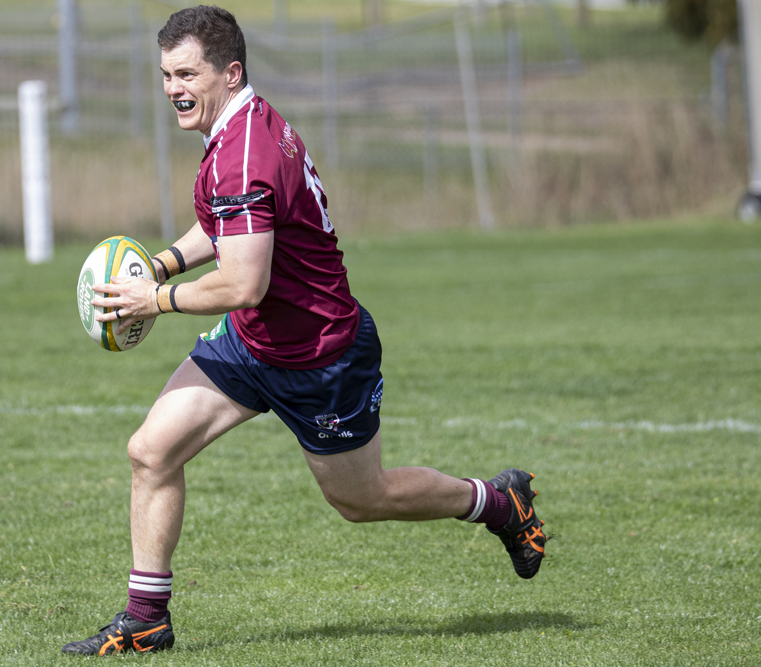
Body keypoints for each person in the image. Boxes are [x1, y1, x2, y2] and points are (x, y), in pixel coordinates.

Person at [62, 5, 546, 657]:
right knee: (151, 451)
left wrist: (154, 298)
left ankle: (497, 502)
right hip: (252, 342)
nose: (173, 88)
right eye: (167, 75)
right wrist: (162, 263)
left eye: (187, 74)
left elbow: (244, 282)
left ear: (230, 73)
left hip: (320, 357)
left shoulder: (244, 154)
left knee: (361, 499)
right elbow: (227, 227)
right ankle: (146, 618)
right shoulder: (238, 128)